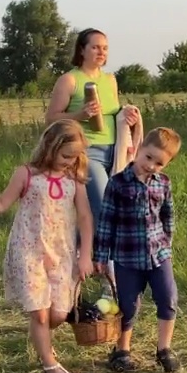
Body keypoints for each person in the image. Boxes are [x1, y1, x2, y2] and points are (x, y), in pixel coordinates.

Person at [0, 119, 95, 373]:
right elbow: (1, 203)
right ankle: (51, 366)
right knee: (39, 313)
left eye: (75, 156)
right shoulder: (26, 174)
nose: (70, 161)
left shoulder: (74, 178)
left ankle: (42, 340)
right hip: (29, 251)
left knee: (58, 315)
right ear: (50, 147)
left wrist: (86, 254)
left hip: (61, 253)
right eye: (65, 155)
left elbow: (85, 217)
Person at [46, 28, 140, 291]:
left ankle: (65, 255)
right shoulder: (70, 81)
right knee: (106, 212)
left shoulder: (110, 80)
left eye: (105, 48)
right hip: (87, 154)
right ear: (82, 50)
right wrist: (80, 115)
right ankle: (111, 284)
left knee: (103, 214)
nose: (102, 52)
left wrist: (127, 116)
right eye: (96, 47)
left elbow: (113, 113)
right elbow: (51, 118)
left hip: (116, 152)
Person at [93, 126, 183, 373]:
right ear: (139, 148)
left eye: (159, 163)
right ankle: (122, 350)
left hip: (159, 255)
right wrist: (100, 256)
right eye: (148, 157)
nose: (151, 165)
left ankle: (164, 349)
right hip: (127, 257)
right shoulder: (118, 183)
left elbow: (168, 215)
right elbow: (106, 222)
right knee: (128, 305)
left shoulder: (163, 183)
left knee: (168, 298)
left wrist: (167, 242)